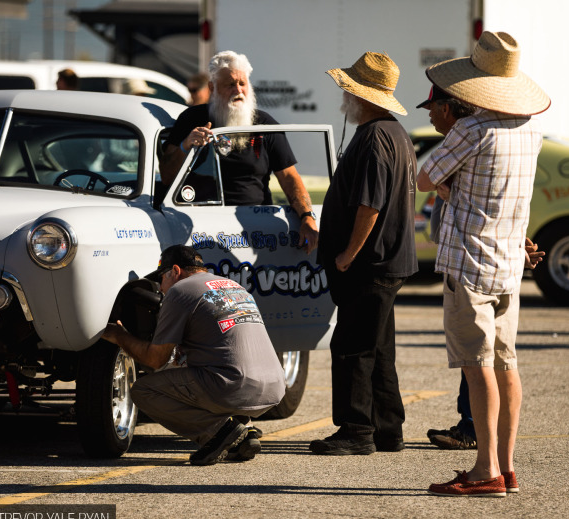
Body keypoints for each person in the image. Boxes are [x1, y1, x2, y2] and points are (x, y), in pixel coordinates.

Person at [417, 31, 550, 497]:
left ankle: (484, 470)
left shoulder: (472, 130)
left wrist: (450, 188)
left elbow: (425, 177)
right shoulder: (530, 129)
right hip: (508, 262)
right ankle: (506, 468)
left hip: (469, 263)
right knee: (507, 365)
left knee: (477, 369)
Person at [309, 52, 418, 456]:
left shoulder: (375, 137)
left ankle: (356, 430)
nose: (345, 97)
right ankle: (388, 429)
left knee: (352, 347)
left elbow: (369, 205)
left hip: (370, 263)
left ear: (363, 96)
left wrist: (347, 254)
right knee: (378, 348)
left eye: (349, 91)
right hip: (387, 261)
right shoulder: (395, 133)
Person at [102, 245, 286, 466]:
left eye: (161, 278)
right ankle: (244, 433)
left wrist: (119, 336)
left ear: (175, 271)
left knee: (144, 391)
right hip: (274, 388)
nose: (161, 287)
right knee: (211, 368)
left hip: (232, 387)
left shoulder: (180, 291)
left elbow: (155, 359)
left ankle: (218, 431)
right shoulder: (233, 286)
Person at [160, 50, 318, 253]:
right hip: (200, 224)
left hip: (255, 227)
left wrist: (307, 216)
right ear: (212, 88)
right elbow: (166, 176)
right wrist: (186, 145)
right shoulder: (191, 119)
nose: (238, 90)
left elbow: (289, 177)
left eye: (242, 83)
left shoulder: (264, 125)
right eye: (230, 84)